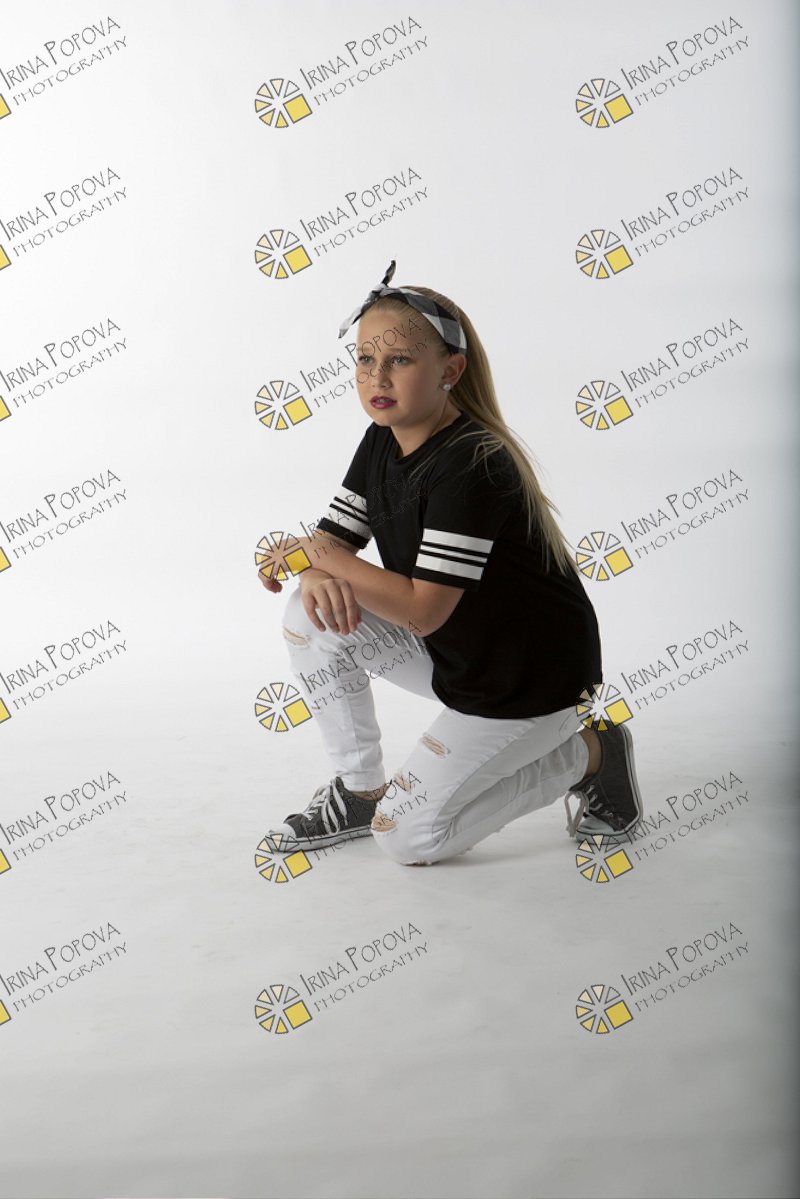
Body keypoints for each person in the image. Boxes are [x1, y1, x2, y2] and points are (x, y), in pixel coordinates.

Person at [258, 259, 644, 866]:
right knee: (308, 613)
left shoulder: (472, 464)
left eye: (399, 360)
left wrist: (318, 554)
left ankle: (591, 754)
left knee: (406, 838)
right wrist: (312, 567)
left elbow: (423, 611)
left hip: (528, 682)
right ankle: (359, 792)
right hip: (461, 657)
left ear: (450, 370)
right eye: (364, 359)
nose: (376, 376)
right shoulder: (384, 434)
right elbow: (332, 542)